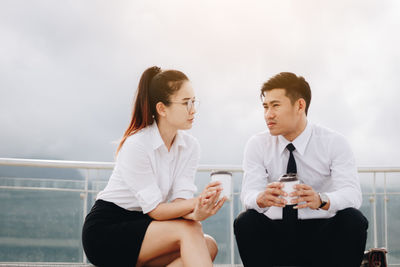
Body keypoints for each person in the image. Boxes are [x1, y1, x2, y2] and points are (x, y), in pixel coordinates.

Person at [82, 66, 226, 267]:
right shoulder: (137, 145)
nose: (193, 110)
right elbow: (156, 211)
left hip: (148, 227)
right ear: (162, 109)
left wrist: (199, 210)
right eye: (186, 103)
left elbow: (179, 204)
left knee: (208, 244)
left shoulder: (190, 147)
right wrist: (197, 202)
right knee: (191, 231)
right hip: (108, 230)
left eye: (194, 102)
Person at [234, 72, 368, 267]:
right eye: (265, 106)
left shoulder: (334, 142)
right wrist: (261, 198)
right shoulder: (257, 144)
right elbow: (248, 194)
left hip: (322, 231)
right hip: (276, 232)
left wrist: (321, 200)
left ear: (300, 105)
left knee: (353, 219)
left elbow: (352, 195)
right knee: (246, 221)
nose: (268, 114)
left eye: (275, 106)